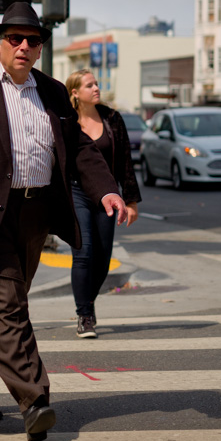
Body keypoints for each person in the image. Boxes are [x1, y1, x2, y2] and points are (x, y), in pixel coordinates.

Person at [0, 2, 126, 441]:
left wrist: (106, 189)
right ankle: (35, 401)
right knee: (11, 306)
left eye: (32, 40)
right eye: (14, 38)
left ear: (39, 49)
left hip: (33, 217)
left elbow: (81, 152)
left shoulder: (53, 92)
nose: (23, 46)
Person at [65, 69, 141, 338]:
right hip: (77, 194)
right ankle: (84, 315)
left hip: (108, 195)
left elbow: (124, 162)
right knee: (83, 253)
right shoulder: (67, 120)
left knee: (103, 260)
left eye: (96, 83)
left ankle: (88, 301)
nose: (96, 88)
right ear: (75, 92)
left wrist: (130, 199)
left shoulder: (112, 118)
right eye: (89, 85)